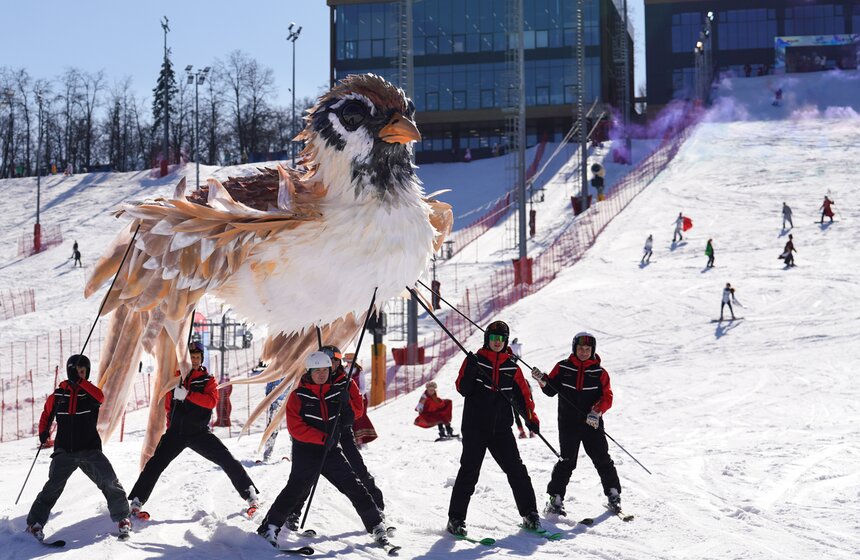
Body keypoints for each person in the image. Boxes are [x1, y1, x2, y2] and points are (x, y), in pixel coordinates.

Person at [256, 351, 389, 548]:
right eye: (316, 370)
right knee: (296, 489)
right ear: (309, 372)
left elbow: (350, 419)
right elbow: (296, 428)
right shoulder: (298, 396)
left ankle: (376, 524)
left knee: (353, 485)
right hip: (307, 451)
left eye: (325, 370)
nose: (321, 374)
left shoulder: (336, 392)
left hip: (330, 451)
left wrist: (347, 406)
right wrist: (322, 438)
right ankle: (270, 527)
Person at [128, 342, 260, 519]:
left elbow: (211, 402)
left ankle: (250, 495)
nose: (195, 361)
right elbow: (168, 406)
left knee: (226, 459)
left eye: (198, 357)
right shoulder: (176, 380)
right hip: (176, 433)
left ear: (202, 359)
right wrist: (171, 425)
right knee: (155, 464)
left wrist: (188, 395)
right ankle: (137, 501)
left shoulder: (208, 380)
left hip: (199, 432)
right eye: (192, 357)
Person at [447, 320, 542, 537]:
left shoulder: (512, 367)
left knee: (517, 470)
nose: (497, 342)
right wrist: (471, 368)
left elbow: (523, 398)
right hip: (474, 427)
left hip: (500, 429)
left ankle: (530, 513)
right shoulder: (475, 360)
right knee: (469, 472)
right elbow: (462, 388)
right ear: (487, 339)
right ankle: (456, 519)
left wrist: (531, 418)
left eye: (501, 339)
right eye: (493, 338)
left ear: (506, 341)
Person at [26, 355, 132, 542]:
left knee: (109, 480)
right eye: (76, 371)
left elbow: (100, 397)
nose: (80, 374)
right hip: (64, 451)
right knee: (52, 487)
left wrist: (80, 382)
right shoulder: (58, 396)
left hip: (90, 449)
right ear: (69, 371)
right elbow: (46, 414)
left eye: (83, 371)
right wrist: (43, 432)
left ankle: (122, 517)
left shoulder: (90, 394)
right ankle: (35, 523)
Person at [530, 332, 622, 517]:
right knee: (567, 461)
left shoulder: (599, 373)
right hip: (568, 424)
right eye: (580, 348)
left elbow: (607, 397)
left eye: (588, 349)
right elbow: (550, 390)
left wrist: (596, 412)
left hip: (592, 424)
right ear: (574, 348)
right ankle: (555, 498)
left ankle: (613, 493)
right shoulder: (563, 367)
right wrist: (542, 380)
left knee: (602, 458)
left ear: (593, 350)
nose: (583, 352)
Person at [343, 352, 377, 446]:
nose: (349, 363)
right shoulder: (343, 370)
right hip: (347, 398)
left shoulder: (359, 371)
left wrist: (356, 396)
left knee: (359, 417)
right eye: (347, 361)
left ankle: (360, 438)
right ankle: (352, 438)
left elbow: (363, 387)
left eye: (351, 361)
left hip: (359, 398)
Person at [262, 375, 287, 463]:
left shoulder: (293, 365)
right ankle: (267, 455)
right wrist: (269, 396)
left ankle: (294, 455)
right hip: (277, 402)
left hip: (291, 400)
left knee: (294, 428)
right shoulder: (276, 368)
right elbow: (270, 382)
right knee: (271, 428)